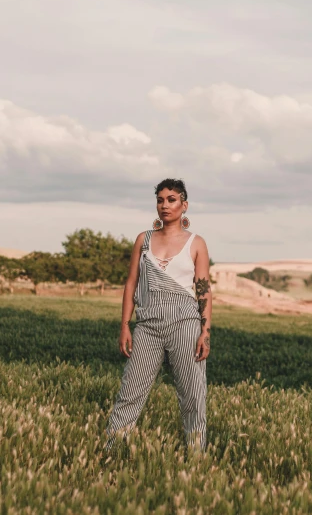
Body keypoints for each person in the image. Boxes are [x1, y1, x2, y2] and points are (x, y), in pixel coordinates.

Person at [105, 178, 212, 450]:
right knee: (130, 392)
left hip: (186, 323)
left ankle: (196, 455)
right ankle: (113, 450)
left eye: (172, 200)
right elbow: (131, 282)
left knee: (192, 395)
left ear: (184, 205)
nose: (165, 205)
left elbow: (203, 290)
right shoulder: (144, 239)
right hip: (148, 324)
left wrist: (205, 332)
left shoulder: (196, 243)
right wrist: (125, 326)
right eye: (160, 200)